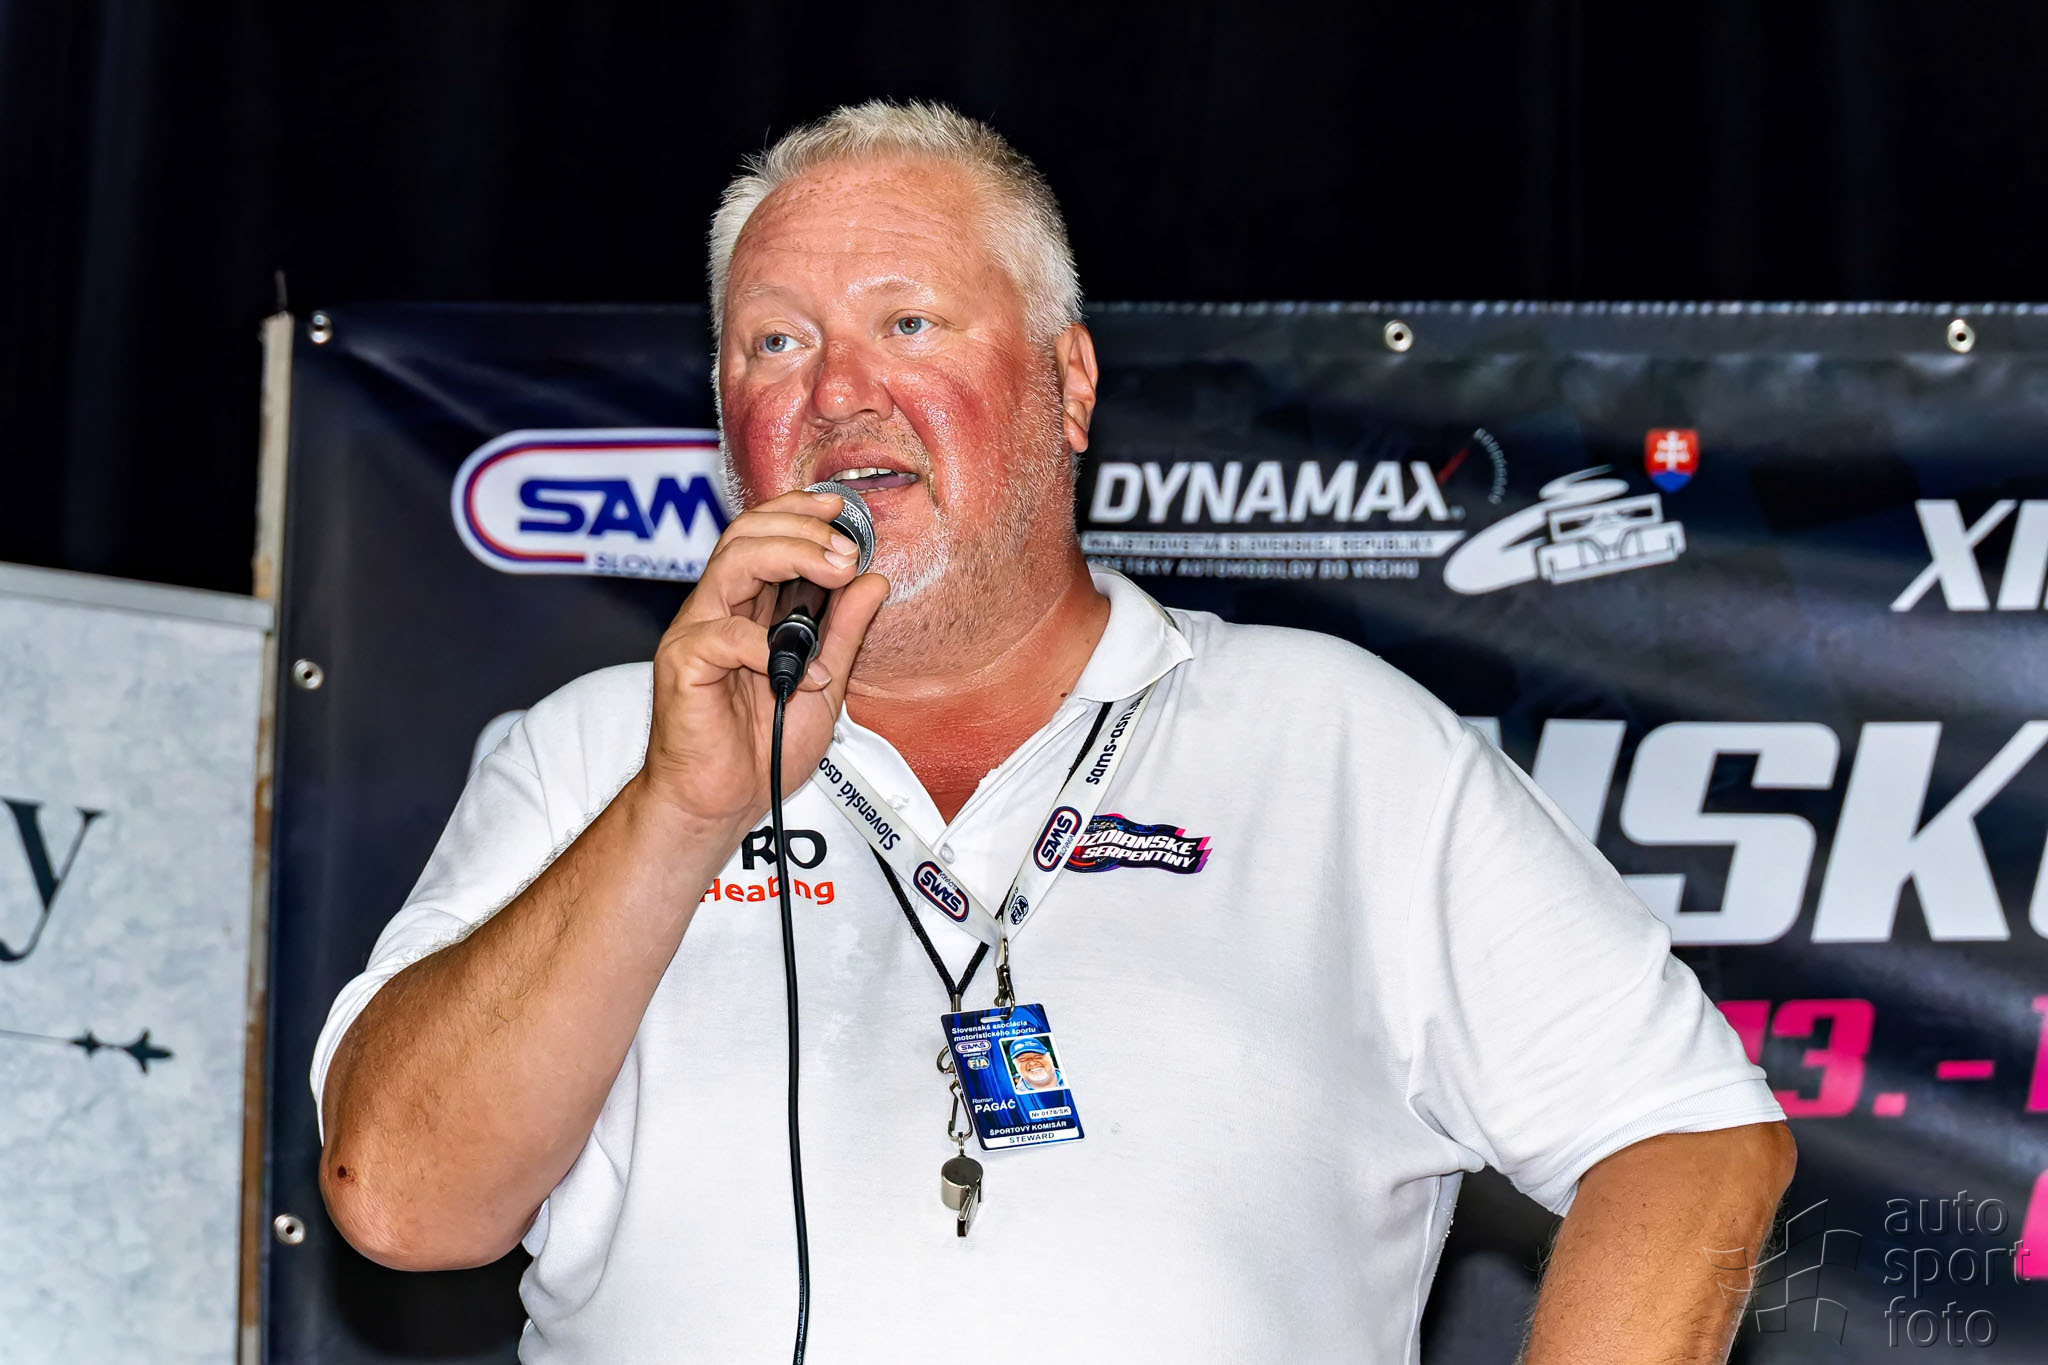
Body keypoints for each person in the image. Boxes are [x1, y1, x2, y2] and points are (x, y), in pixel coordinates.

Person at [314, 100, 1794, 1363]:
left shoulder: (1334, 738)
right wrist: (680, 808)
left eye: (908, 323)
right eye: (775, 342)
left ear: (1068, 385)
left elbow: (1686, 1133)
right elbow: (401, 1201)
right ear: (723, 420)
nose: (838, 392)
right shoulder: (591, 755)